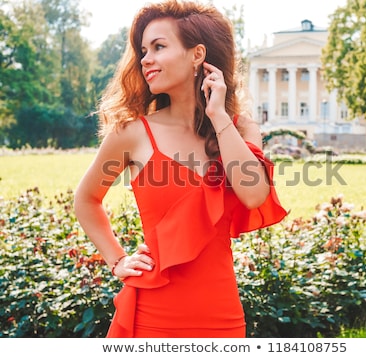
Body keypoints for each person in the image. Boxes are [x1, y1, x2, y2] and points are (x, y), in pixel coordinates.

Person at [74, 0, 287, 338]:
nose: (145, 59)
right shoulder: (131, 133)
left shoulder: (239, 128)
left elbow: (254, 195)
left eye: (159, 46)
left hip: (222, 318)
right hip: (152, 316)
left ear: (197, 55)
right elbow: (86, 199)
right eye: (143, 50)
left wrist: (219, 117)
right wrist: (117, 260)